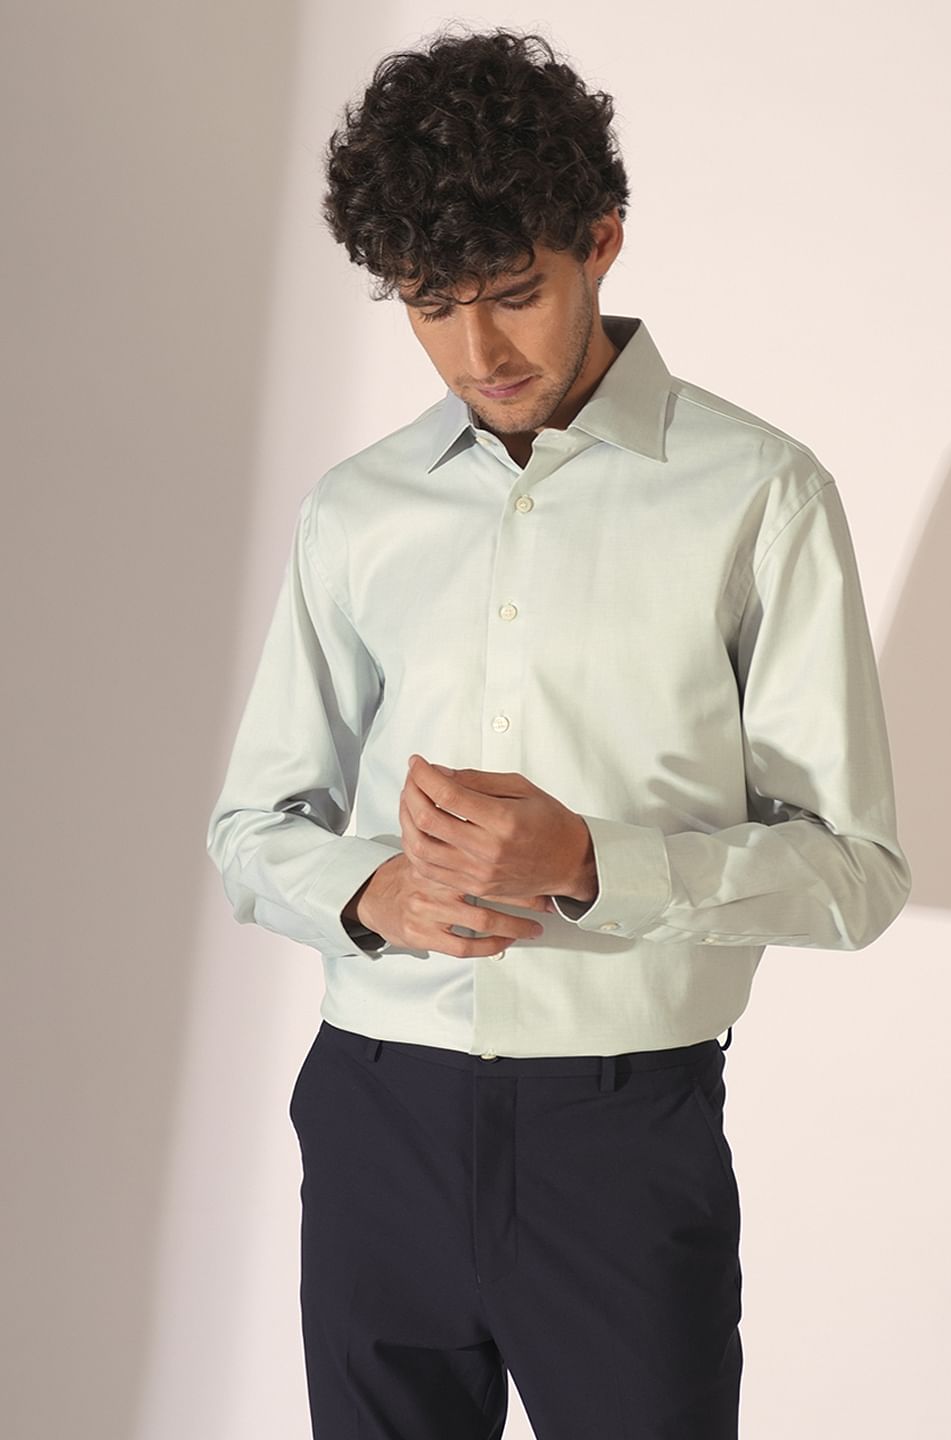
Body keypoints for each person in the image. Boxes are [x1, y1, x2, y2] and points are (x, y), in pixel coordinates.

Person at [206, 24, 912, 1440]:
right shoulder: (357, 511)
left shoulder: (758, 494)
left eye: (517, 294)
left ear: (601, 241)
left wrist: (596, 863)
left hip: (621, 1133)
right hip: (376, 1115)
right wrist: (371, 891)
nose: (478, 352)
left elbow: (857, 873)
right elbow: (251, 830)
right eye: (430, 306)